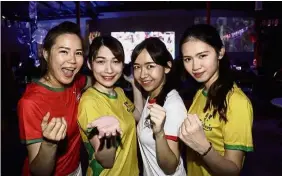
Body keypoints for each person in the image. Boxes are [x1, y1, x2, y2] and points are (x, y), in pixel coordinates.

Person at [17, 21, 116, 176]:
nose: (73, 60)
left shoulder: (74, 82)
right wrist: (49, 144)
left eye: (78, 53)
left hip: (77, 169)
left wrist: (113, 79)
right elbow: (39, 171)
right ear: (46, 53)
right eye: (64, 51)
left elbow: (91, 81)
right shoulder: (30, 103)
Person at [179, 24, 254, 176]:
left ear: (220, 53)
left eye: (202, 56)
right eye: (188, 59)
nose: (195, 66)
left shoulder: (236, 102)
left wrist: (203, 148)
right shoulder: (201, 92)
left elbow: (233, 170)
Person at [77, 36, 139, 176]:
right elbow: (106, 161)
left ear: (123, 65)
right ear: (89, 64)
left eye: (115, 61)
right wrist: (109, 137)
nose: (109, 69)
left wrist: (134, 84)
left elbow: (138, 116)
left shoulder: (119, 92)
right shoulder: (89, 102)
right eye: (101, 61)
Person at [129, 37, 187, 175]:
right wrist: (134, 85)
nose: (143, 74)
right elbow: (140, 117)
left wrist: (159, 133)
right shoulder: (153, 95)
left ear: (167, 67)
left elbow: (170, 167)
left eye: (150, 66)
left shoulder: (173, 106)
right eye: (137, 67)